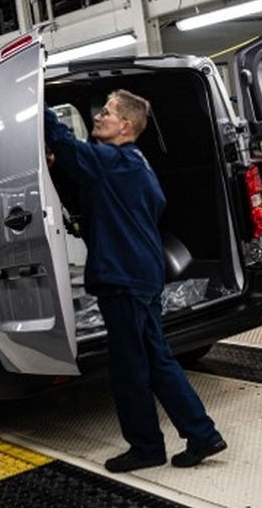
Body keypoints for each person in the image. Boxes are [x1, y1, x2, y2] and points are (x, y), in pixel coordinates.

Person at [44, 91, 227, 473]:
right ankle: (202, 434)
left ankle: (146, 446)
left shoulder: (112, 162)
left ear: (126, 126)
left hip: (124, 277)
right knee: (157, 357)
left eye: (107, 113)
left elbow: (63, 141)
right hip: (141, 272)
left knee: (130, 367)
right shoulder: (135, 164)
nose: (98, 117)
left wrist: (34, 104)